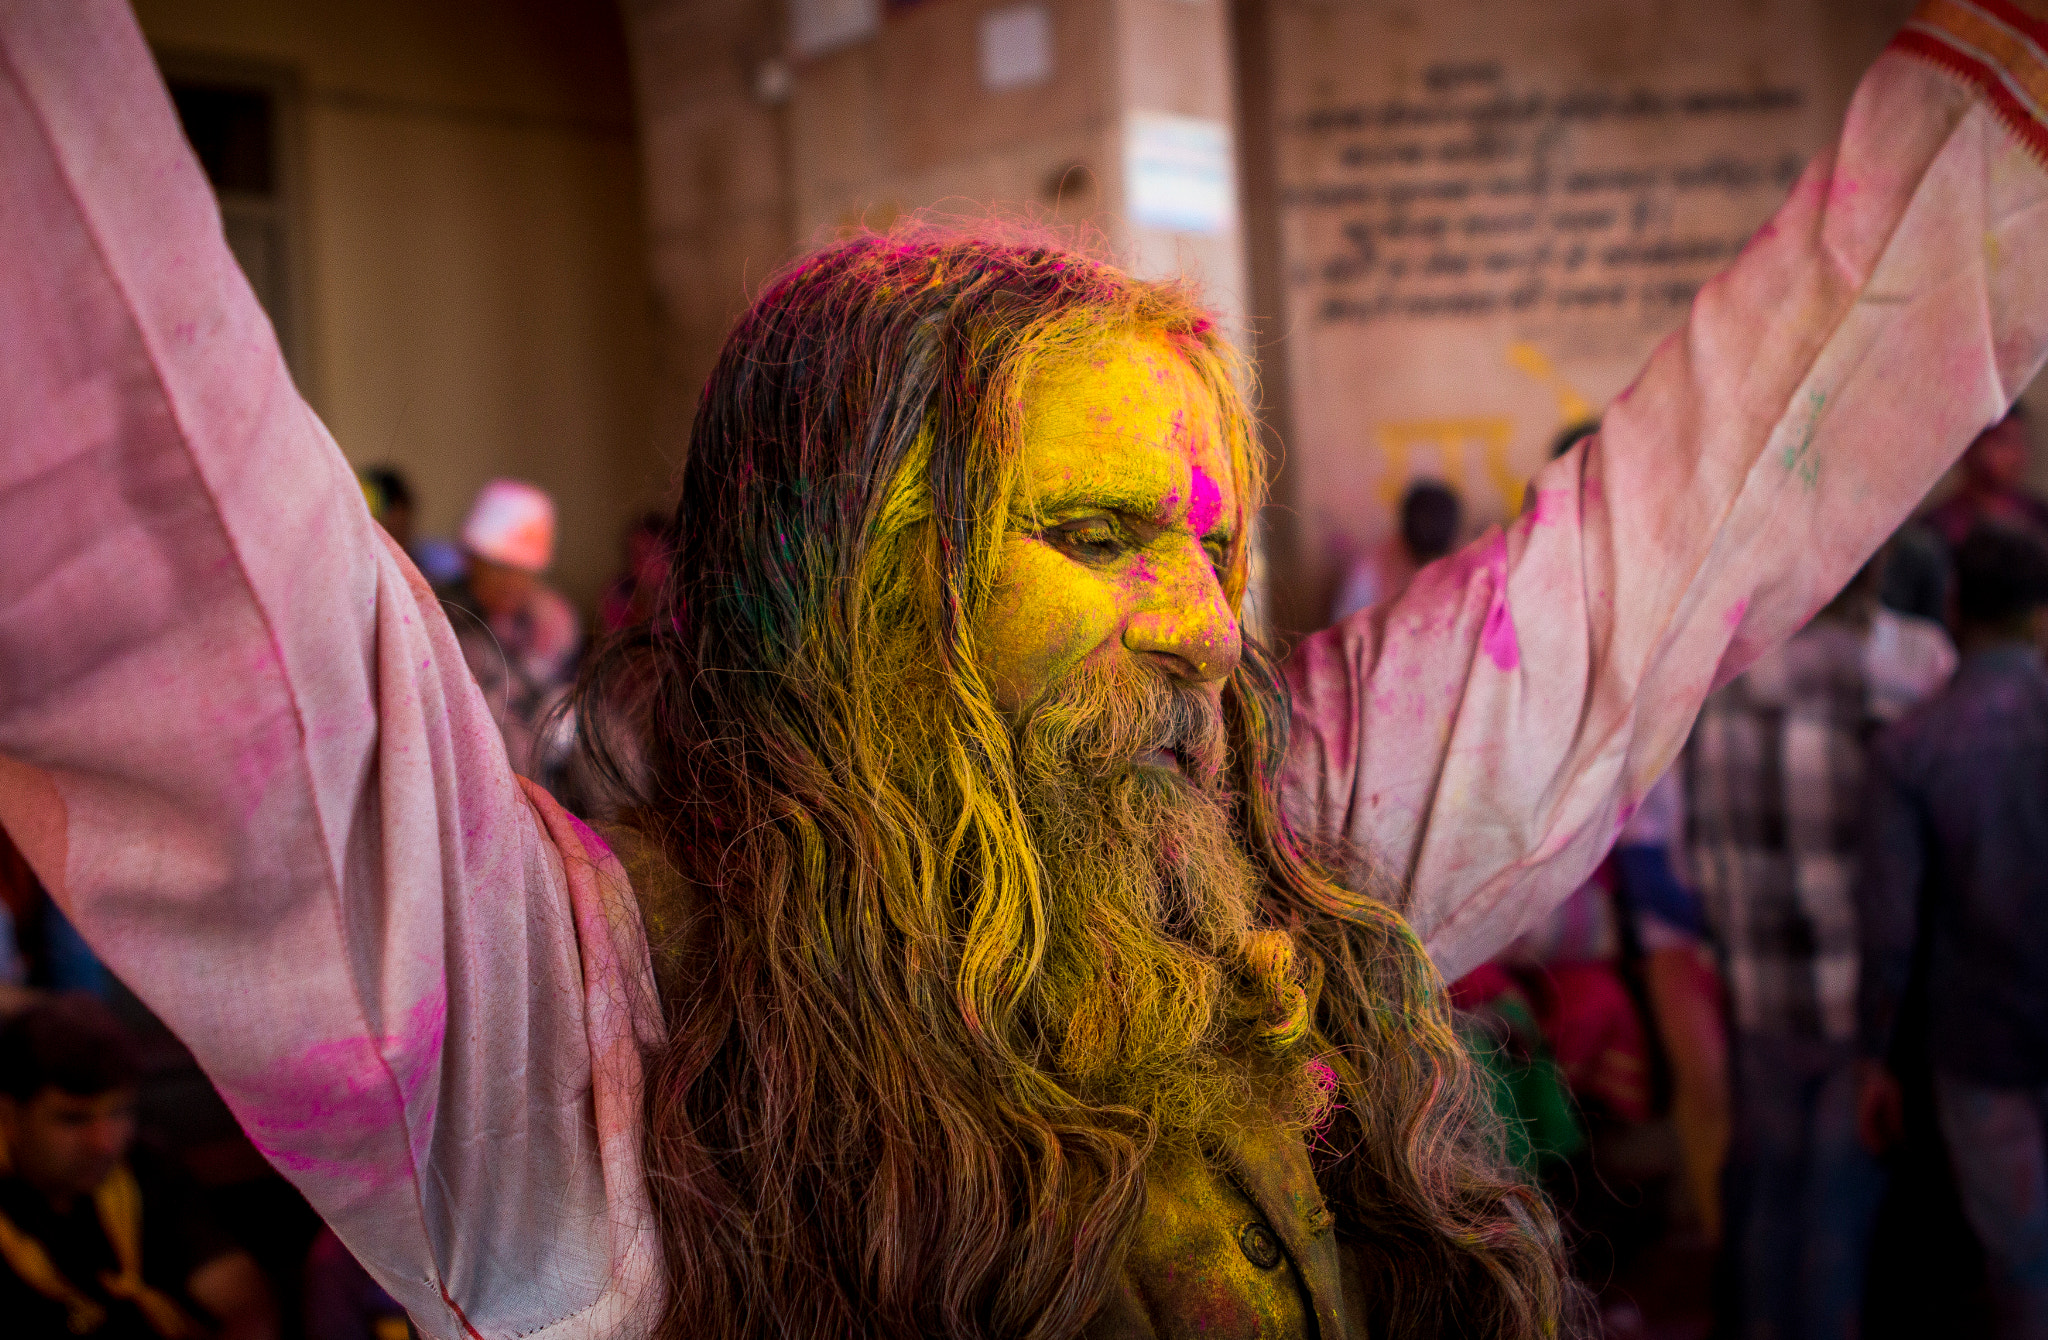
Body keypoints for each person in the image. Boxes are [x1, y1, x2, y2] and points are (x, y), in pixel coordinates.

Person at [3, 2, 2047, 1336]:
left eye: (1216, 543)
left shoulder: (1282, 852)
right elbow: (183, 541)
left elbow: (1674, 540)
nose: (1194, 619)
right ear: (837, 587)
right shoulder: (592, 1039)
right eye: (1091, 536)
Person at [1685, 554, 1954, 1340]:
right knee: (1838, 1210)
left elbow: (1697, 844)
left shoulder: (1719, 682)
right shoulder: (1899, 673)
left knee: (1769, 1193)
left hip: (1758, 989)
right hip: (1855, 1003)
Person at [1858, 525, 2048, 1339]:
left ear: (1955, 607)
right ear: (2042, 614)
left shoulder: (1912, 747)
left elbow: (1891, 927)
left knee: (2019, 1260)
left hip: (1978, 1043)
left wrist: (1876, 1057)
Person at [0, 997, 276, 1340]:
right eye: (73, 1118)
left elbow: (245, 1305)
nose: (104, 1142)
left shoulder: (146, 1168)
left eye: (118, 1112)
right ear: (8, 1115)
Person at [441, 478, 582, 785]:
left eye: (522, 571)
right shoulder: (443, 617)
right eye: (498, 567)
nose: (510, 582)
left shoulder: (554, 620)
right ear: (470, 560)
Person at [1329, 479, 1460, 622]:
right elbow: (1342, 629)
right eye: (1420, 559)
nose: (1426, 568)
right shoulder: (1367, 571)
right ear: (1402, 537)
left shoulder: (1465, 568)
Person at [1922, 407, 2048, 550]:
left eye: (2019, 442)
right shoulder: (1939, 527)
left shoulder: (2037, 516)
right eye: (2003, 442)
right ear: (1969, 447)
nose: (2015, 455)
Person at [598, 512, 668, 637]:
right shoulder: (618, 594)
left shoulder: (686, 597)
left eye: (649, 552)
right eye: (634, 554)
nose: (641, 562)